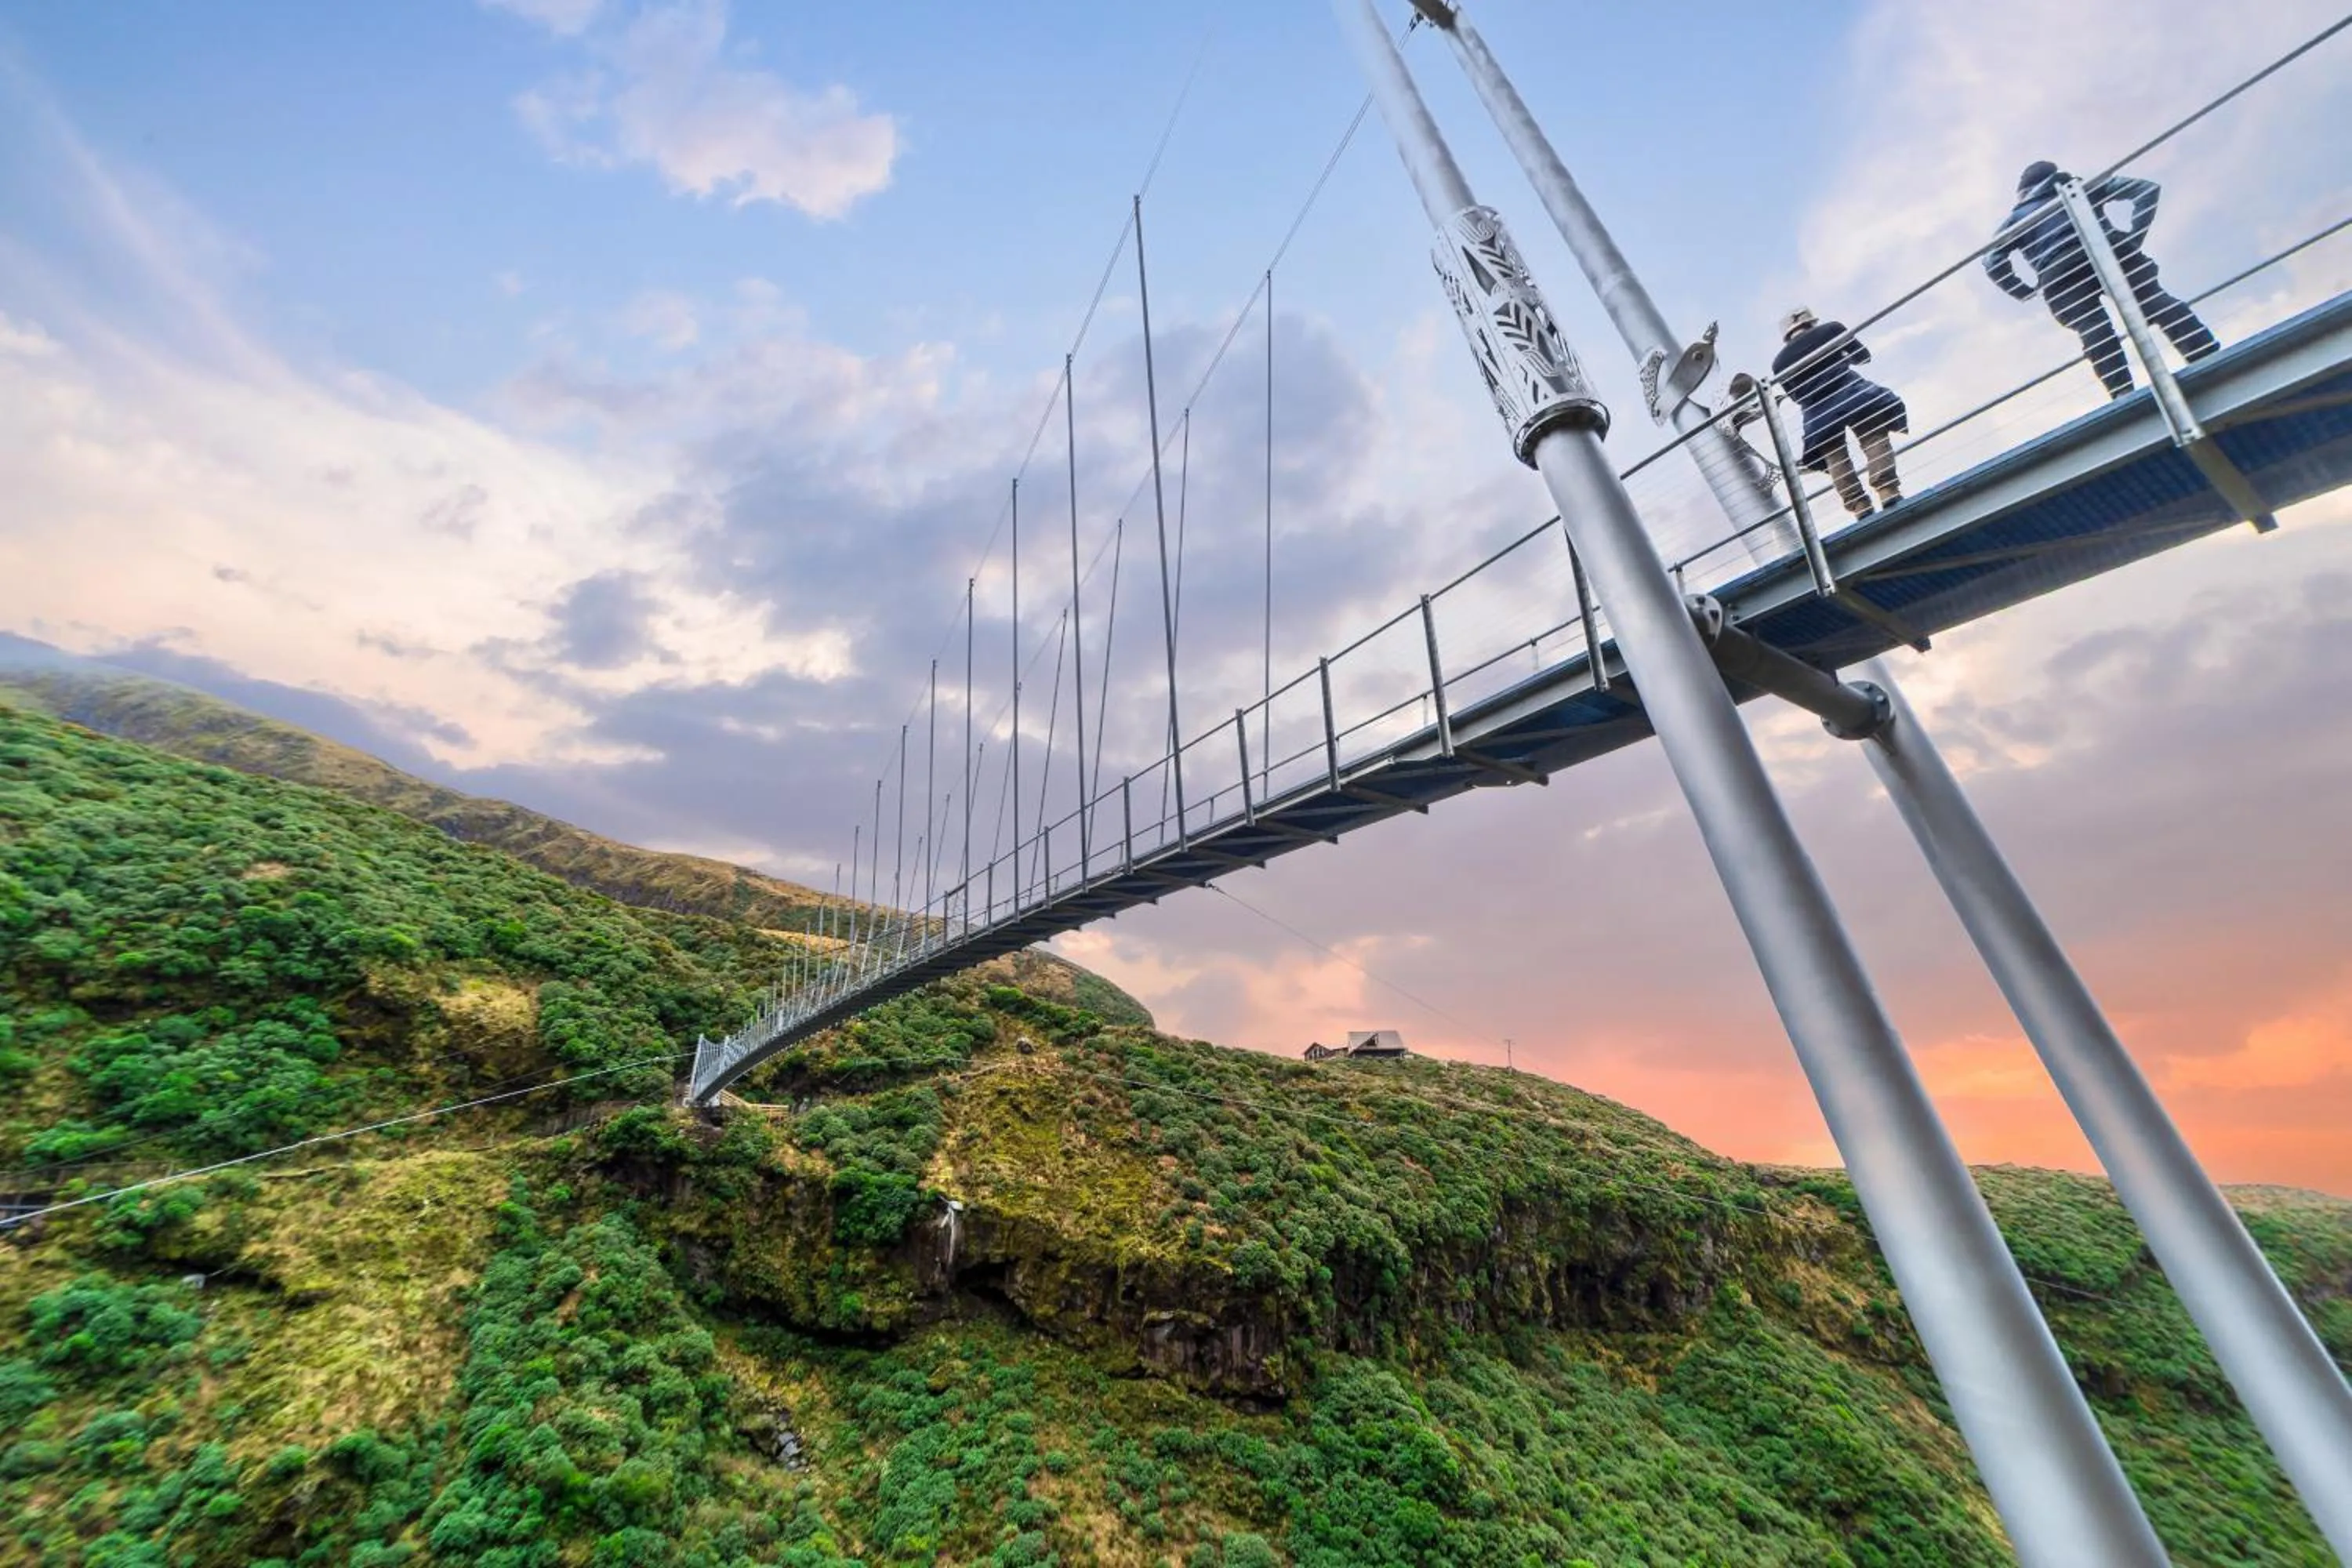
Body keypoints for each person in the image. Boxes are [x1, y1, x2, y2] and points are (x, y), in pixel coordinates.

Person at [1984, 160, 2219, 398]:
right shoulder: (2080, 187)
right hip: (2108, 248)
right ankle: (2204, 352)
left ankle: (2122, 392)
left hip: (2059, 271)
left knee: (2093, 326)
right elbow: (2146, 190)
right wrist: (2132, 239)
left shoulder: (2017, 218)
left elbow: (1991, 259)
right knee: (2151, 299)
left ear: (2024, 192)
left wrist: (2022, 290)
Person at [1769, 307, 1907, 520]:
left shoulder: (1779, 363)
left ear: (1786, 334)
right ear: (1811, 321)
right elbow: (1862, 357)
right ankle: (1887, 490)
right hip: (1853, 394)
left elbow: (1796, 396)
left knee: (1835, 458)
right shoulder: (1832, 329)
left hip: (1817, 413)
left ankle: (1859, 506)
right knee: (1873, 437)